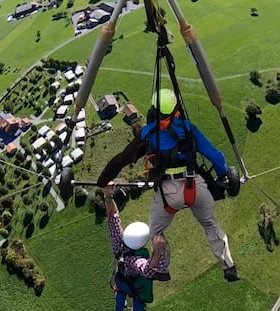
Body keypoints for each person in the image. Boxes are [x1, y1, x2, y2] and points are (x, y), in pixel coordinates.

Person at [97, 89, 239, 282]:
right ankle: (228, 266)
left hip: (167, 193)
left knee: (155, 232)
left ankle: (161, 268)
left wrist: (103, 181)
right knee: (210, 225)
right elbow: (214, 156)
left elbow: (122, 159)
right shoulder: (188, 128)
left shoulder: (148, 133)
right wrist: (224, 177)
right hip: (195, 186)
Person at [103, 183, 169, 311]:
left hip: (121, 281)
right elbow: (149, 270)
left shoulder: (119, 245)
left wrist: (108, 196)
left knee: (120, 299)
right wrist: (158, 249)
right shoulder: (135, 260)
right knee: (138, 303)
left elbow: (113, 216)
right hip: (133, 286)